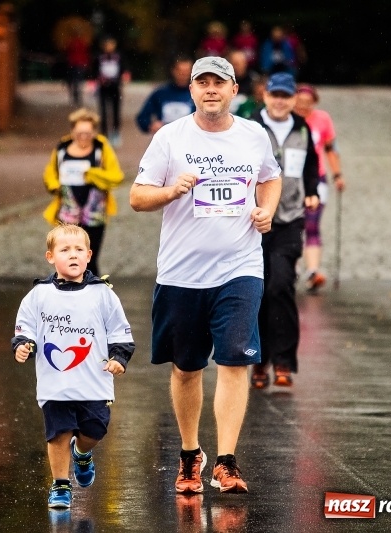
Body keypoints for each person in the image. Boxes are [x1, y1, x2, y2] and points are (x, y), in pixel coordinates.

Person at [130, 56, 282, 494]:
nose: (211, 89)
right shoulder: (170, 139)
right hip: (181, 272)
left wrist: (266, 211)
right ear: (192, 91)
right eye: (203, 83)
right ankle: (189, 453)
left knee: (236, 360)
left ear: (235, 90)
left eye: (220, 82)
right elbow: (138, 198)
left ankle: (227, 461)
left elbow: (270, 179)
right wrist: (171, 190)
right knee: (186, 368)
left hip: (240, 266)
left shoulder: (254, 135)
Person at [11, 224, 135, 508]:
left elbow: (119, 331)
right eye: (65, 250)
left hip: (94, 381)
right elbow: (25, 327)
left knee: (94, 430)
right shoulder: (39, 295)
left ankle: (81, 453)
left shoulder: (102, 294)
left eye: (79, 249)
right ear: (50, 257)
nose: (73, 255)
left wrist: (119, 359)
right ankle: (61, 485)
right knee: (58, 433)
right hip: (55, 383)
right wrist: (23, 346)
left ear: (89, 255)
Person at [250, 73, 319, 389]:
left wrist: (313, 189)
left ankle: (284, 362)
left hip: (290, 219)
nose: (280, 101)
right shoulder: (249, 127)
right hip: (254, 222)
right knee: (258, 292)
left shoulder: (302, 128)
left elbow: (310, 165)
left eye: (285, 96)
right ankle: (258, 362)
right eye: (275, 95)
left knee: (281, 285)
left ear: (294, 99)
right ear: (265, 96)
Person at [43, 108, 124, 276]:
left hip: (94, 214)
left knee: (89, 259)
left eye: (88, 133)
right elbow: (50, 173)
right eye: (79, 133)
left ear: (94, 132)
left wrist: (92, 174)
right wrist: (54, 185)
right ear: (72, 131)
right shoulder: (62, 148)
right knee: (66, 259)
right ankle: (67, 292)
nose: (83, 137)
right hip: (67, 213)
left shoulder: (101, 148)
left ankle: (95, 293)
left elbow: (116, 176)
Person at [294, 83, 345, 292]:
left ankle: (313, 270)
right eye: (300, 102)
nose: (304, 107)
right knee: (291, 225)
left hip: (317, 178)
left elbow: (330, 148)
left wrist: (338, 174)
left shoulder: (322, 119)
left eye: (308, 103)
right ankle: (291, 268)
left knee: (312, 224)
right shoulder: (288, 119)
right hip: (290, 180)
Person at [135, 56, 195, 134]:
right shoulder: (161, 93)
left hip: (189, 140)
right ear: (173, 71)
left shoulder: (197, 93)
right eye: (180, 71)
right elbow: (142, 117)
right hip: (165, 139)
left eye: (186, 71)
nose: (183, 75)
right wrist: (151, 125)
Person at [94, 36, 127, 147]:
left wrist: (124, 77)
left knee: (116, 111)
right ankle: (104, 134)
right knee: (103, 111)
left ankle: (115, 133)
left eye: (111, 45)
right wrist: (98, 79)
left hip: (115, 87)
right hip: (103, 88)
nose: (109, 47)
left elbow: (124, 70)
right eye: (107, 45)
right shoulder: (99, 57)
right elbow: (93, 70)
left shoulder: (118, 57)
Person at [65, 30, 91, 106]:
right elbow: (86, 54)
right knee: (78, 81)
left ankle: (75, 96)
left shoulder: (71, 43)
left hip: (73, 64)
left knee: (73, 81)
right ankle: (77, 96)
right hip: (79, 64)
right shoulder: (82, 43)